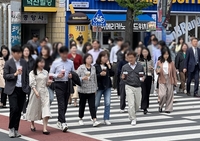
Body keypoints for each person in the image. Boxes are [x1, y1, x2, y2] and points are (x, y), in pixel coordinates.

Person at [3, 45, 30, 138]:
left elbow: (27, 75)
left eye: (20, 53)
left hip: (21, 88)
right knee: (14, 108)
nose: (19, 55)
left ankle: (16, 129)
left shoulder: (24, 62)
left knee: (19, 110)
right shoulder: (8, 63)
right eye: (17, 53)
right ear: (13, 53)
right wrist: (14, 74)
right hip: (12, 89)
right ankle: (11, 128)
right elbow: (5, 76)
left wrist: (26, 86)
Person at [49, 46, 74, 132]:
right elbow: (50, 74)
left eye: (66, 53)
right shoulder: (56, 63)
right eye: (63, 53)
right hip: (58, 84)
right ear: (60, 54)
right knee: (61, 103)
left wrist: (71, 75)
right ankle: (63, 122)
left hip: (67, 84)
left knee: (65, 104)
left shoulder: (70, 62)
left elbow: (73, 72)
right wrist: (57, 76)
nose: (65, 55)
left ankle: (60, 120)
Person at [26, 57, 52, 135]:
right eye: (40, 62)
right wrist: (36, 91)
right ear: (37, 63)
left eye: (43, 62)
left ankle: (44, 128)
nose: (42, 64)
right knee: (34, 108)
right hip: (36, 92)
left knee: (46, 108)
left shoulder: (46, 72)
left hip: (45, 92)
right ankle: (32, 124)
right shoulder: (32, 73)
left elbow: (47, 83)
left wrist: (49, 83)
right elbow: (32, 83)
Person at [76, 54, 101, 127]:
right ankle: (80, 118)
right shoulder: (81, 68)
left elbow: (95, 78)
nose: (89, 60)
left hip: (91, 89)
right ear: (85, 59)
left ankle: (94, 119)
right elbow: (77, 77)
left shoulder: (93, 68)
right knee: (82, 105)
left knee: (92, 105)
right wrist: (82, 78)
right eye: (88, 58)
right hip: (83, 89)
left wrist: (96, 88)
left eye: (91, 58)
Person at [121, 51, 144, 126]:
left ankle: (131, 113)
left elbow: (143, 75)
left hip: (138, 86)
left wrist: (143, 78)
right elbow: (122, 77)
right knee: (131, 104)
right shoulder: (125, 67)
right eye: (128, 58)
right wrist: (123, 77)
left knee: (137, 104)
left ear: (135, 58)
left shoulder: (140, 66)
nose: (130, 59)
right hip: (129, 86)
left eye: (132, 57)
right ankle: (133, 118)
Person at [95, 51, 114, 125]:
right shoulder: (96, 66)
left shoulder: (108, 65)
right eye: (104, 57)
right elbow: (94, 76)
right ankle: (94, 117)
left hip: (107, 86)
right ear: (100, 57)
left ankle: (106, 118)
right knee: (96, 103)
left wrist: (109, 67)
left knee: (108, 102)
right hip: (99, 86)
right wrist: (100, 74)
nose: (105, 58)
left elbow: (112, 74)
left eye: (107, 57)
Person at [156, 47, 177, 113]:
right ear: (162, 54)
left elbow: (174, 72)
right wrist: (158, 71)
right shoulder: (159, 62)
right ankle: (160, 105)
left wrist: (175, 81)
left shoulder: (171, 62)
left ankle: (168, 108)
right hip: (162, 78)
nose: (166, 56)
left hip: (170, 78)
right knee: (162, 94)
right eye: (165, 54)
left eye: (167, 54)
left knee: (170, 94)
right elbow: (157, 70)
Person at [21, 45, 35, 118]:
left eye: (27, 51)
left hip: (31, 80)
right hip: (23, 80)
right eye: (25, 51)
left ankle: (26, 108)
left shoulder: (32, 60)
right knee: (23, 97)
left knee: (31, 97)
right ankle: (24, 111)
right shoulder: (20, 61)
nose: (26, 52)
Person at [139, 47, 153, 114]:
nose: (145, 53)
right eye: (143, 52)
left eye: (146, 52)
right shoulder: (139, 61)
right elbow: (138, 70)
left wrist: (152, 69)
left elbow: (153, 70)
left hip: (149, 76)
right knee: (144, 92)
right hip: (142, 77)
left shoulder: (150, 60)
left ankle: (146, 105)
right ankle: (144, 107)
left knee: (148, 92)